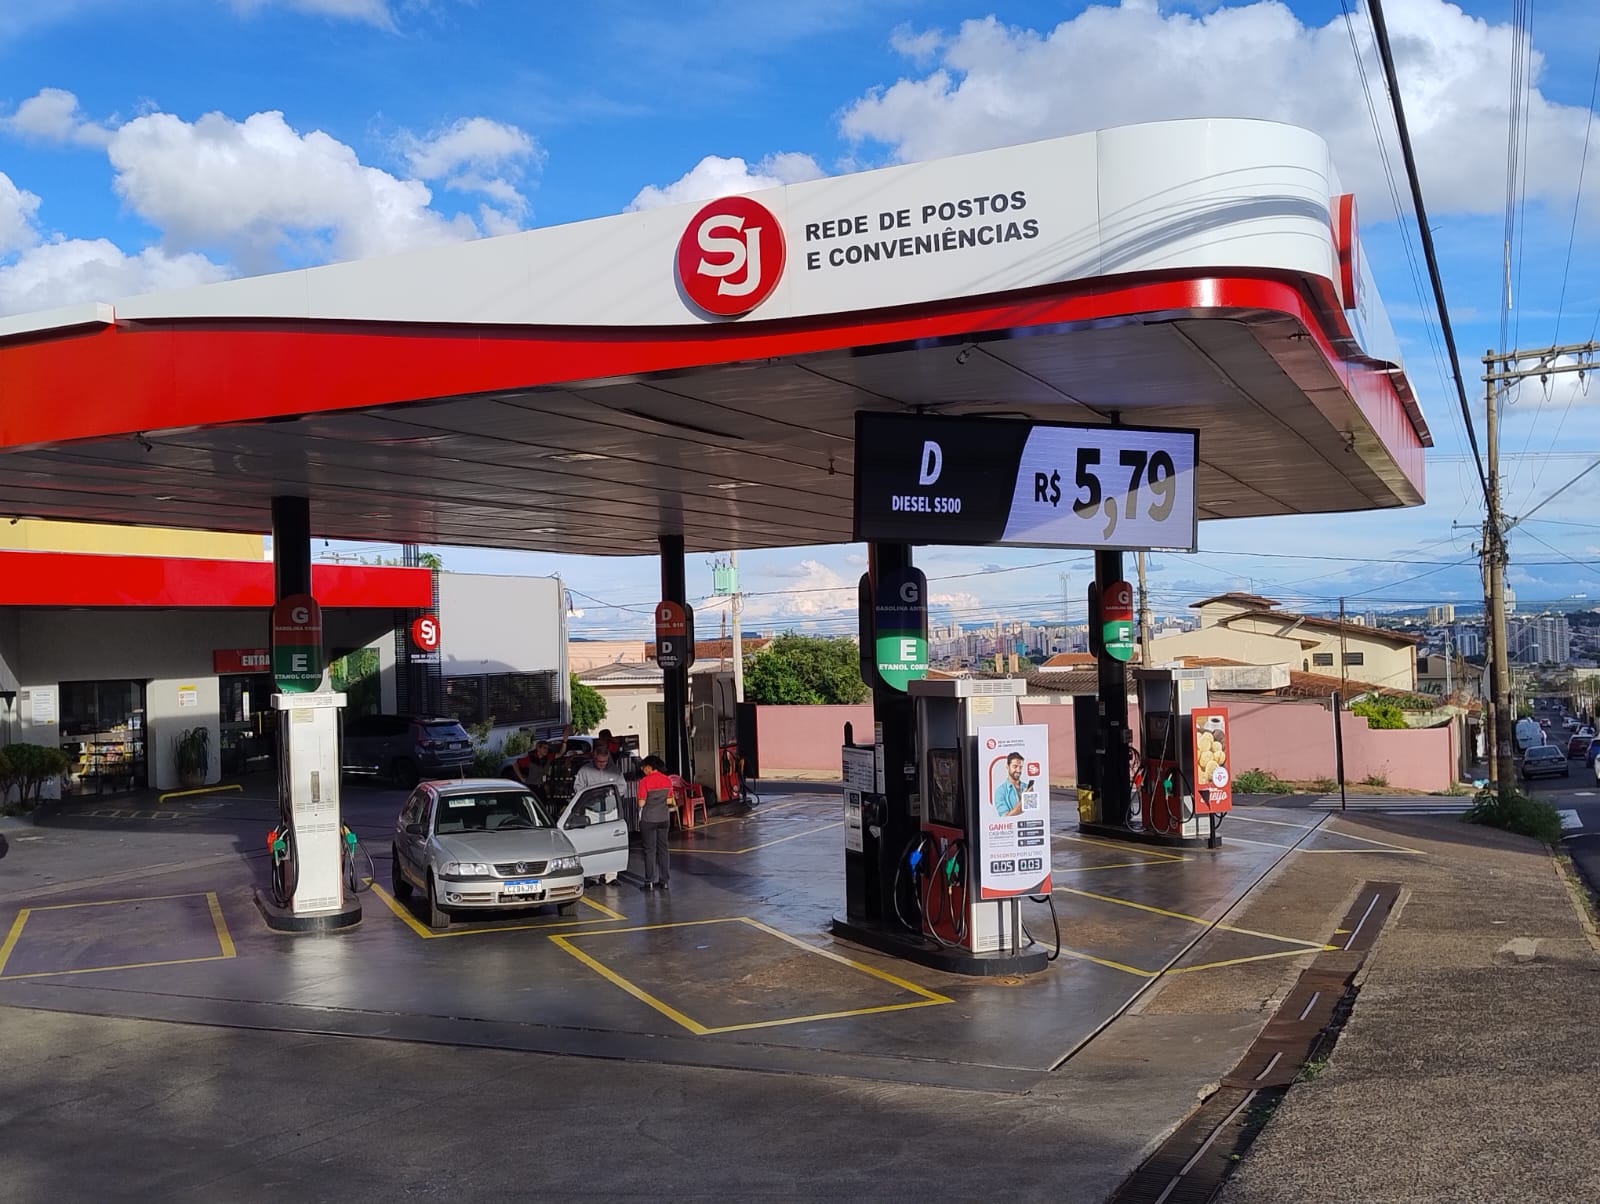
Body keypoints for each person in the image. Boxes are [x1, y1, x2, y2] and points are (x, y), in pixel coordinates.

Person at [635, 755, 674, 892]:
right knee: (663, 849)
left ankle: (649, 882)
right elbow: (669, 801)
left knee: (649, 851)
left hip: (648, 819)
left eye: (643, 767)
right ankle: (664, 882)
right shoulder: (667, 779)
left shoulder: (644, 781)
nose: (642, 769)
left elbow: (641, 803)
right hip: (664, 818)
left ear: (649, 767)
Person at [993, 752, 1025, 818]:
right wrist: (1025, 799)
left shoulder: (1027, 787)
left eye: (1020, 767)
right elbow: (1005, 817)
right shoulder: (1000, 791)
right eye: (1015, 766)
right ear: (1007, 767)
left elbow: (1033, 812)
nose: (1018, 770)